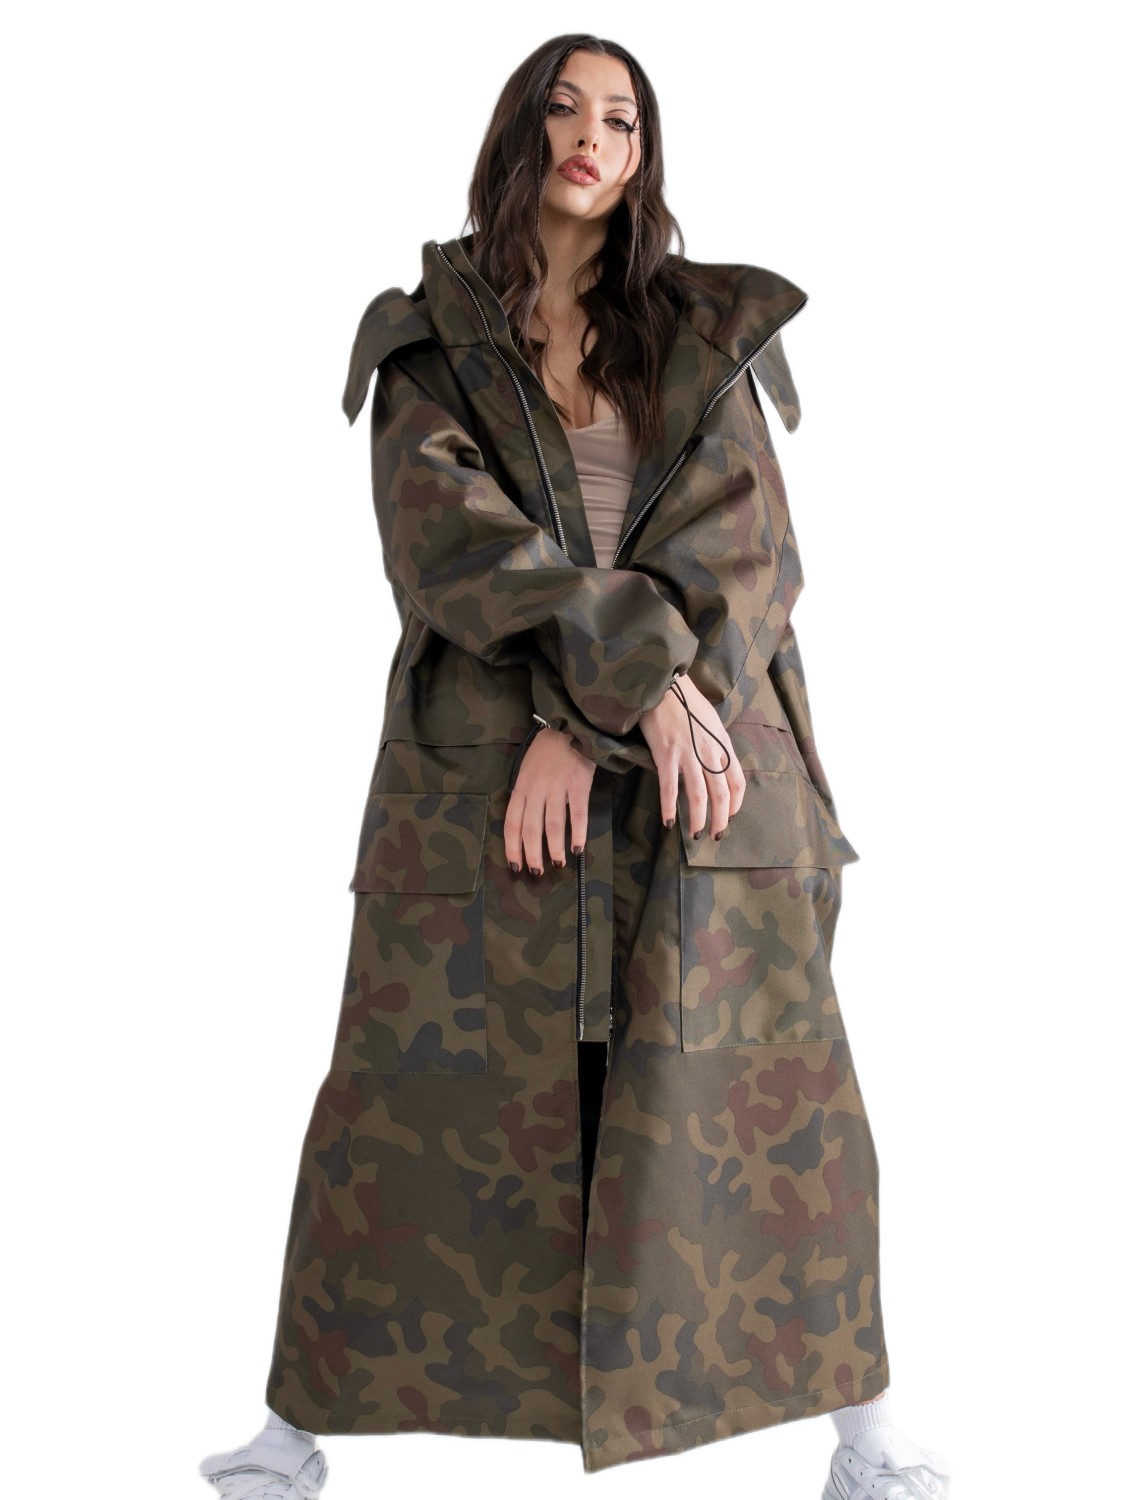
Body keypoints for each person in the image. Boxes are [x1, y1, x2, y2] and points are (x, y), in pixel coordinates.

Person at [199, 34, 952, 1500]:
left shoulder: (702, 333)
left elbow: (746, 549)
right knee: (411, 1092)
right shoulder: (430, 344)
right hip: (495, 765)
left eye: (622, 115)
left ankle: (867, 1433)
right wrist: (622, 693)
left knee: (773, 1090)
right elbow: (451, 547)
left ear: (643, 152)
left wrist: (605, 715)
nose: (592, 135)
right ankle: (294, 1433)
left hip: (704, 754)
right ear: (519, 131)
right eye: (564, 107)